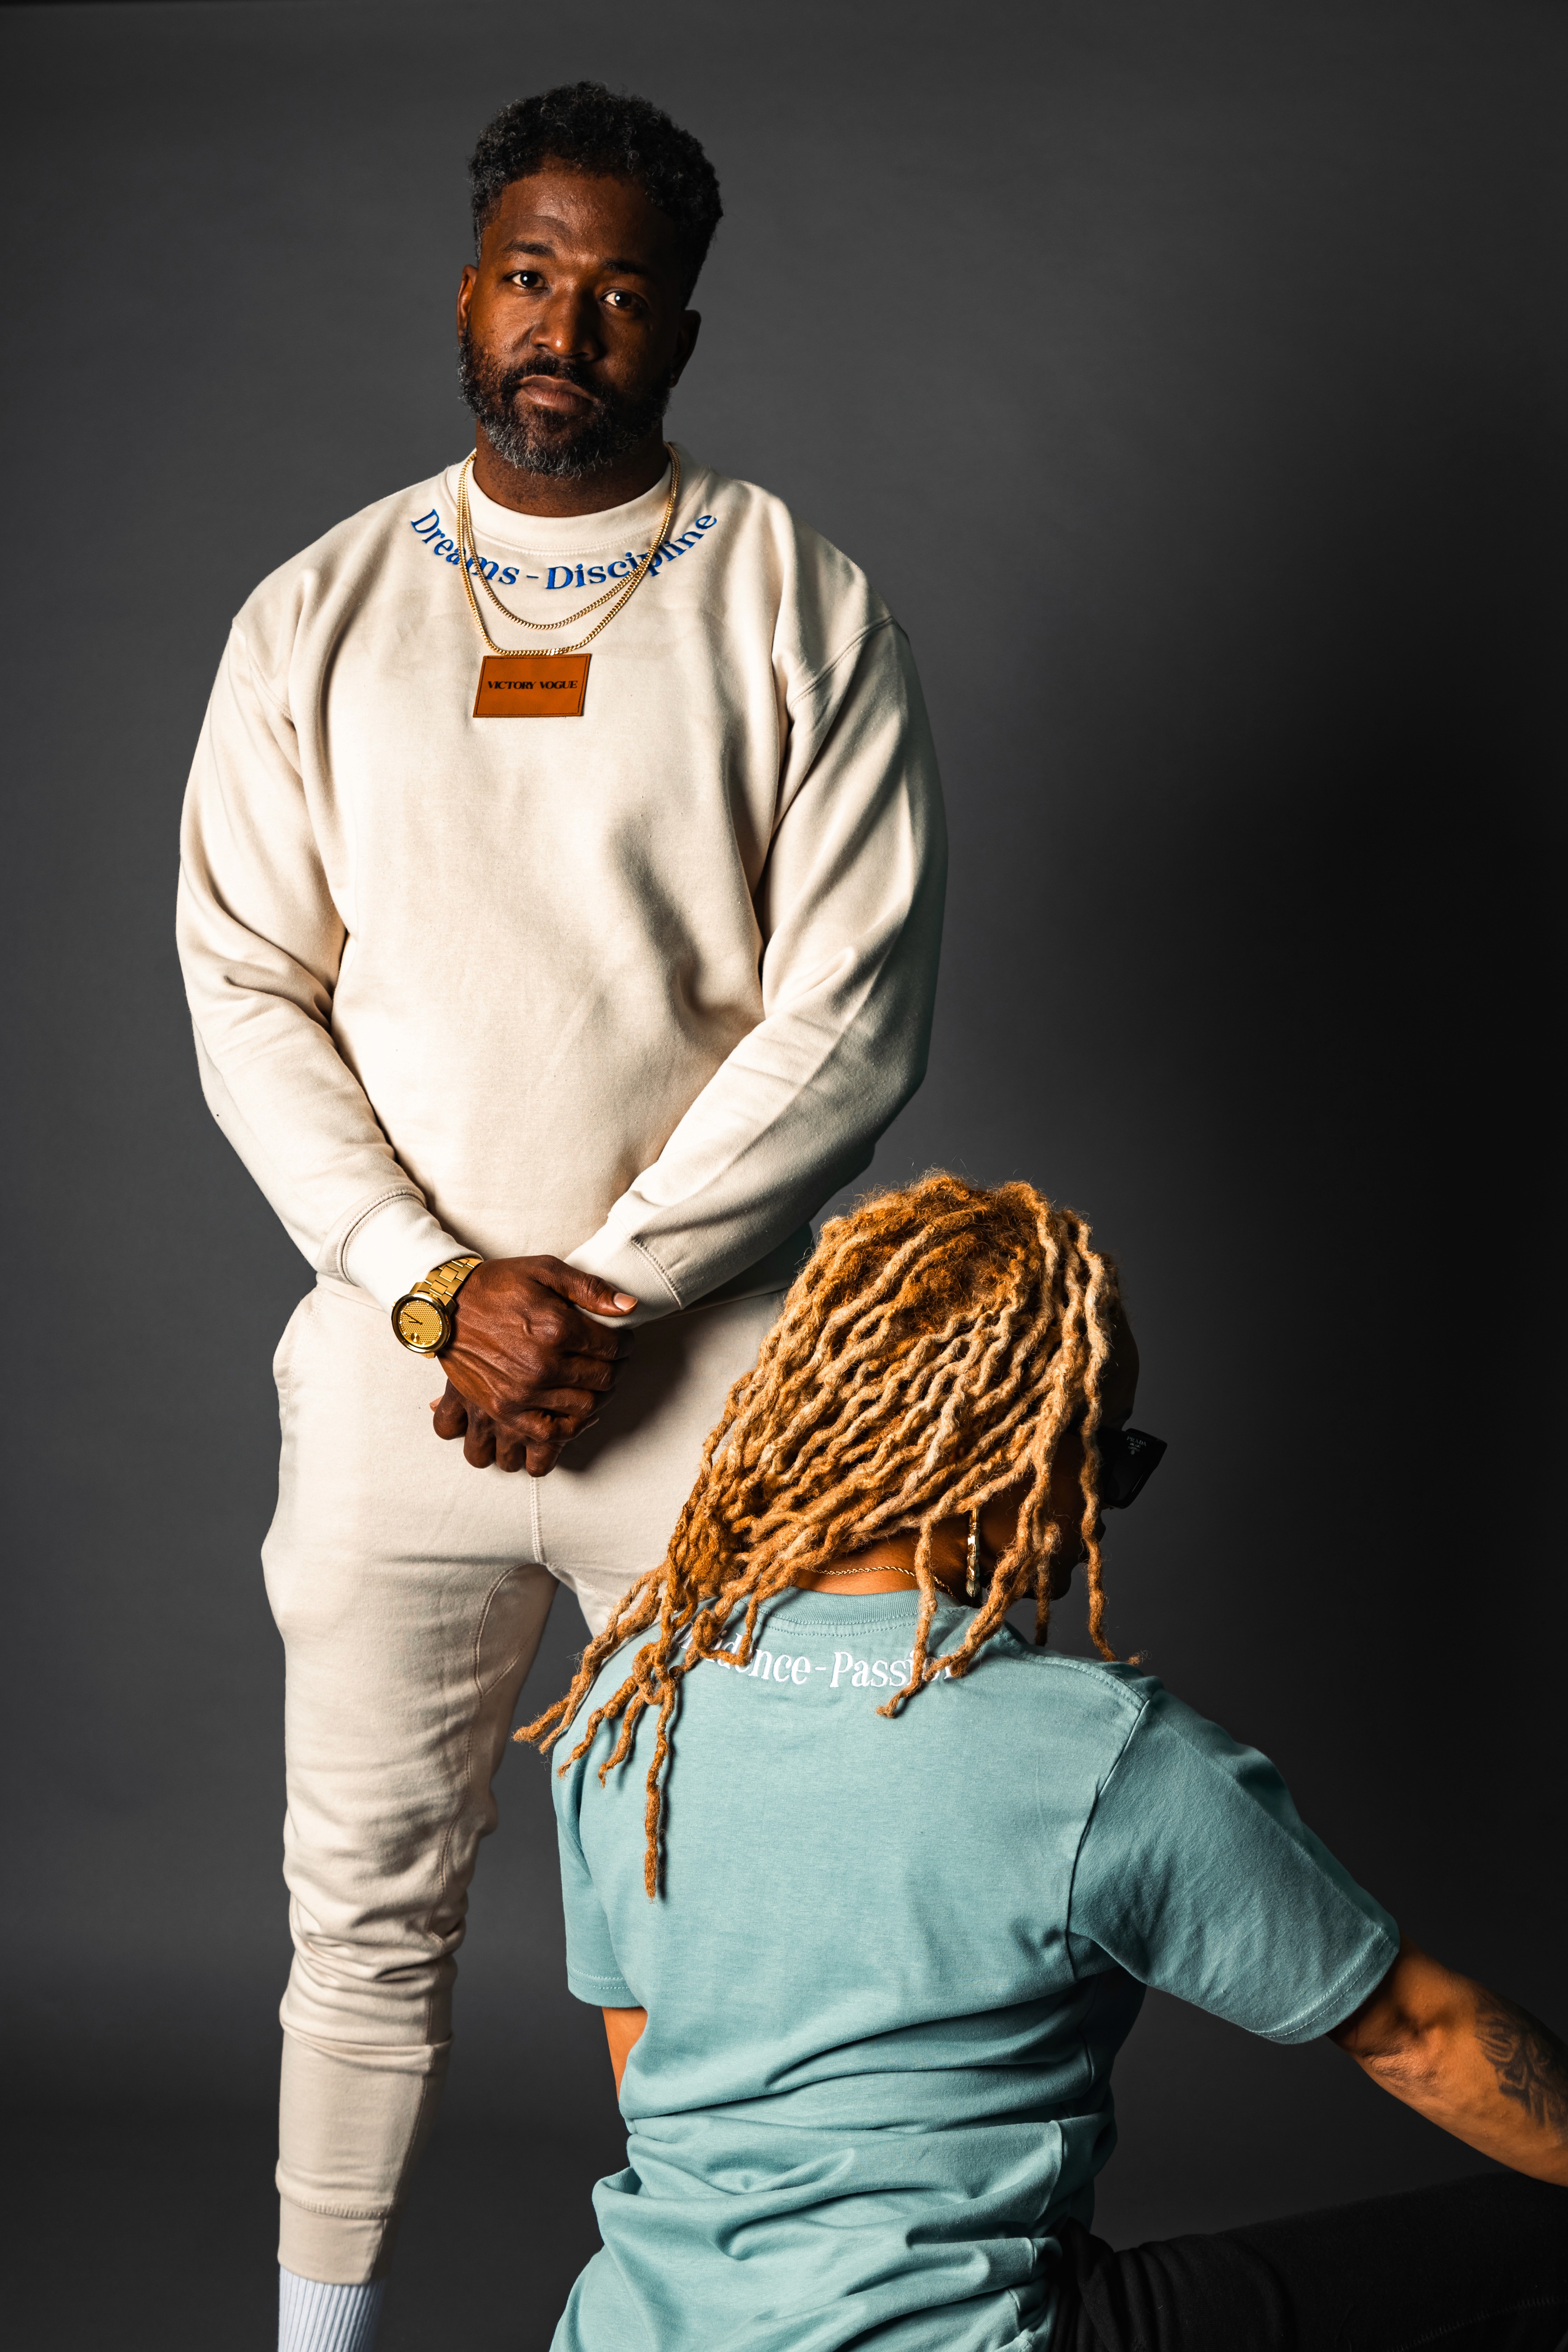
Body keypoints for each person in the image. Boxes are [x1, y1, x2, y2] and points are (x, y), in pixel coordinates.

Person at [175, 80, 944, 2352]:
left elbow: (857, 1008)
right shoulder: (317, 614)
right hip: (397, 1390)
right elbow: (245, 989)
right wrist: (437, 1291)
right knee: (362, 1909)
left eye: (619, 289)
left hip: (703, 1396)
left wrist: (599, 1291)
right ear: (466, 290)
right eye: (532, 271)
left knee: (739, 1910)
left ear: (681, 328)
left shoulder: (800, 598)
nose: (566, 323)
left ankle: (747, 2318)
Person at [526, 1173, 1568, 2352]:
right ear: (1005, 1455)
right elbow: (1421, 2037)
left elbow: (648, 2074)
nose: (1104, 1511)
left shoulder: (631, 1696)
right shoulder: (1101, 1754)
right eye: (1107, 1454)